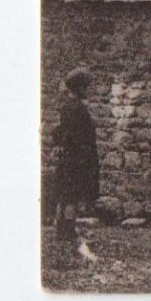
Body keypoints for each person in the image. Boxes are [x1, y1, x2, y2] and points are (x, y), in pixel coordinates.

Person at [51, 67, 100, 263]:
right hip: (76, 157)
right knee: (71, 193)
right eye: (84, 87)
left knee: (67, 193)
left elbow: (60, 132)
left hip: (71, 156)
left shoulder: (67, 106)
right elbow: (74, 135)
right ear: (78, 87)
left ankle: (62, 228)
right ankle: (67, 230)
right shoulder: (76, 108)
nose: (86, 90)